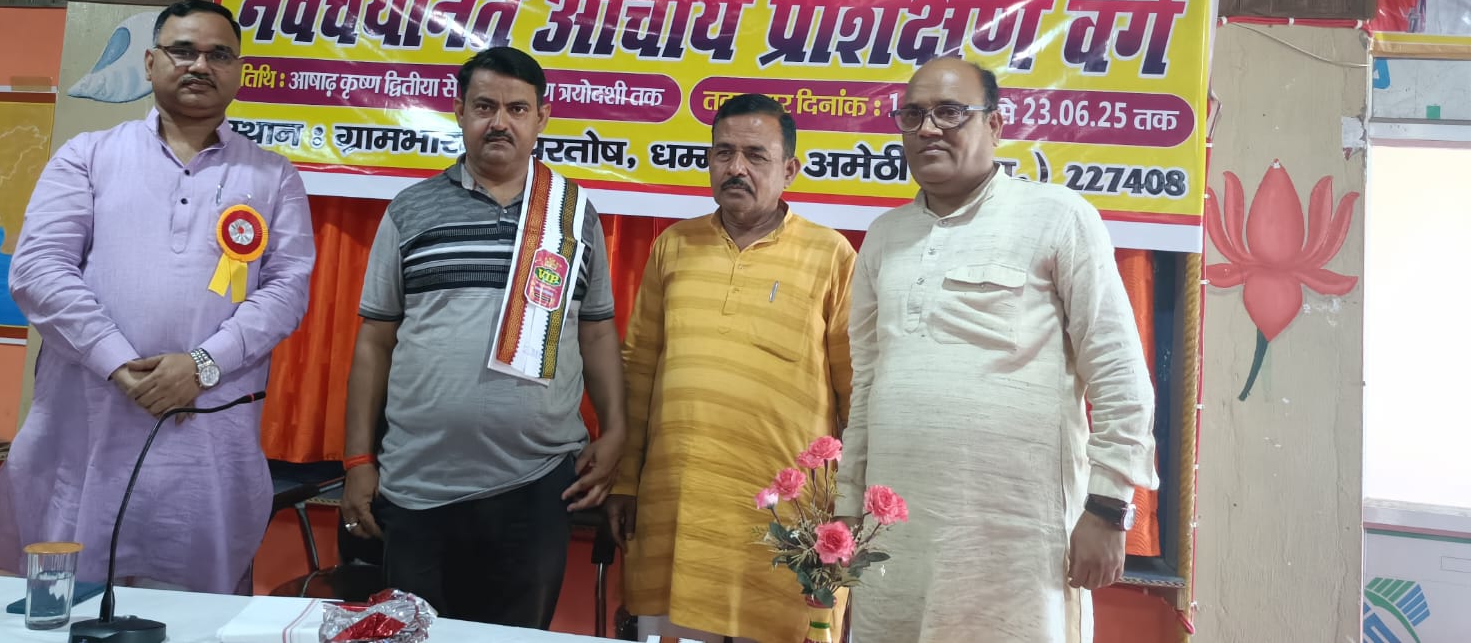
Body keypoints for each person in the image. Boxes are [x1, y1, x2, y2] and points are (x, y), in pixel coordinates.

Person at [0, 0, 315, 594]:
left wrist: (202, 364)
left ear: (239, 71)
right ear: (149, 62)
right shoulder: (88, 155)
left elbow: (287, 288)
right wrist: (118, 364)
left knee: (193, 608)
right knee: (69, 598)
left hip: (205, 430)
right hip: (89, 421)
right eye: (183, 50)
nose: (201, 65)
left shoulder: (273, 175)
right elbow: (39, 270)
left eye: (219, 55)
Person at [837, 57, 1158, 642]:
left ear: (996, 125)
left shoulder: (1059, 218)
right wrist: (847, 505)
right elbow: (867, 385)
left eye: (949, 112)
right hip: (895, 540)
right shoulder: (884, 237)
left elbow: (1119, 375)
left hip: (1017, 539)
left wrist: (1109, 508)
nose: (928, 128)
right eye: (913, 115)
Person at [339, 46, 626, 630]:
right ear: (460, 111)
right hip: (417, 483)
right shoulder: (410, 210)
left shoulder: (574, 215)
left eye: (517, 109)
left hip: (536, 484)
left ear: (542, 117)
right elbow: (375, 341)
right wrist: (358, 460)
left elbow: (597, 333)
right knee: (413, 639)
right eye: (485, 106)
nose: (500, 122)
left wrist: (617, 429)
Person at [606, 94, 856, 643]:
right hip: (678, 513)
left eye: (755, 155)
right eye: (723, 153)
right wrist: (624, 480)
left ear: (789, 170)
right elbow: (638, 369)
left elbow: (856, 392)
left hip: (783, 524)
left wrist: (853, 503)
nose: (736, 167)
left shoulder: (831, 255)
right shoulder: (674, 246)